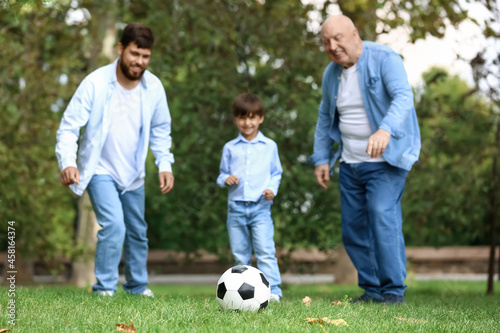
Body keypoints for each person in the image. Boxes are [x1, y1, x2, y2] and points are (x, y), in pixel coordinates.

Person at [56, 23, 174, 297]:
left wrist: (164, 164)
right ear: (120, 49)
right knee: (114, 226)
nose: (139, 62)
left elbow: (160, 130)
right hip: (99, 170)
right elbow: (69, 127)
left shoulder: (154, 87)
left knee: (137, 232)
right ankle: (105, 288)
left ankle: (136, 286)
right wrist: (68, 163)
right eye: (135, 54)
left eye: (145, 56)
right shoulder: (95, 83)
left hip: (132, 174)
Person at [309, 15, 421, 304]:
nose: (332, 47)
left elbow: (402, 97)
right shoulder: (331, 73)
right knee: (353, 230)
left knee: (382, 216)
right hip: (349, 163)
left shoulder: (384, 58)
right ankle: (372, 291)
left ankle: (393, 292)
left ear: (355, 34)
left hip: (386, 163)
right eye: (326, 42)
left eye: (338, 38)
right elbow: (325, 118)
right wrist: (321, 158)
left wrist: (385, 129)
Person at [217, 93, 283, 302]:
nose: (247, 122)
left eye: (252, 117)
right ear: (236, 119)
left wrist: (272, 189)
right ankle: (239, 295)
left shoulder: (269, 146)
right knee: (239, 254)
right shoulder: (229, 147)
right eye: (242, 117)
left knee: (265, 251)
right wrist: (226, 179)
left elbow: (276, 173)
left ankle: (274, 292)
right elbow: (221, 174)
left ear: (261, 118)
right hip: (236, 208)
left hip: (261, 208)